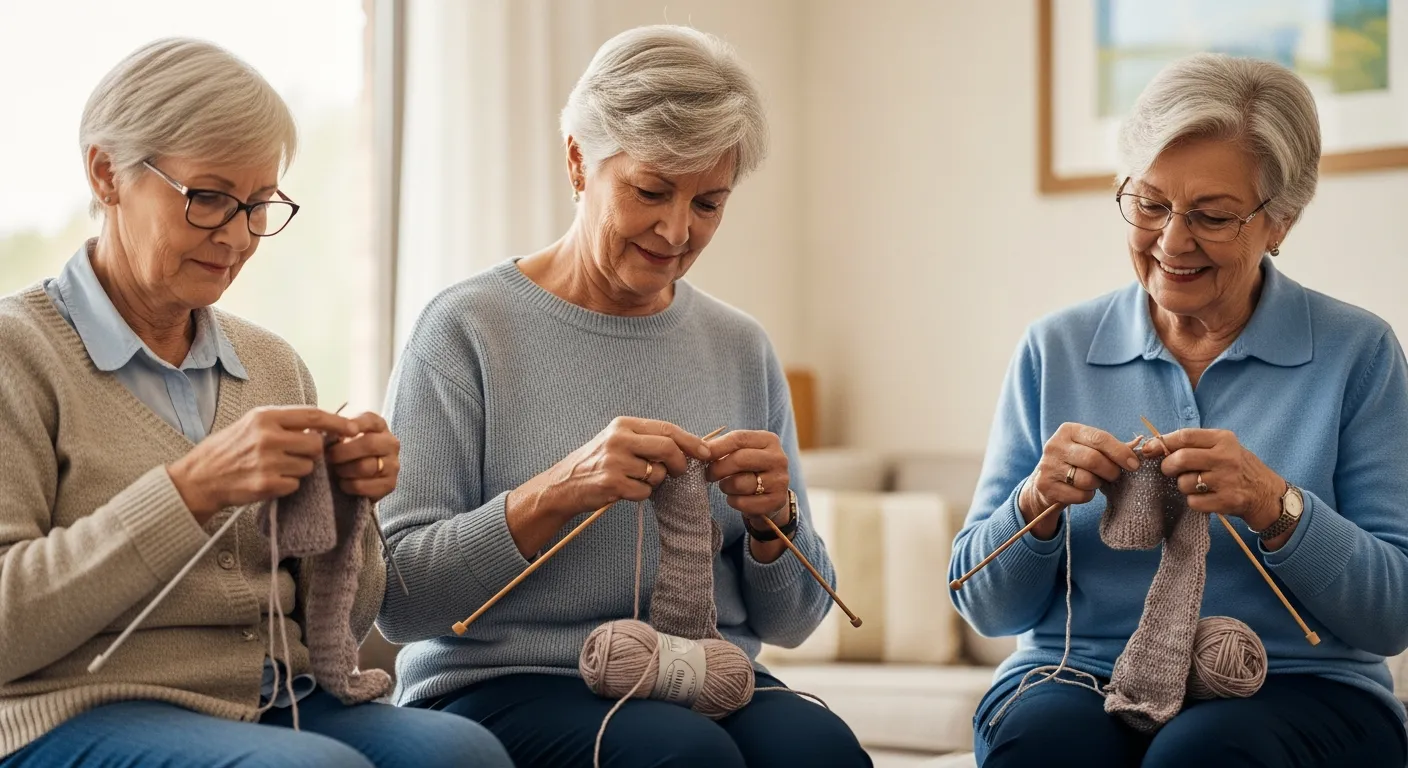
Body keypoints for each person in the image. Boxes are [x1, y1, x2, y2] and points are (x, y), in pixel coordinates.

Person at [0, 39, 511, 768]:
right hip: (75, 710)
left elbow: (348, 619)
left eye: (261, 205)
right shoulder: (17, 354)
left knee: (463, 753)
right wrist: (190, 491)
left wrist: (349, 512)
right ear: (106, 173)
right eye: (208, 197)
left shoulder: (271, 366)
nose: (239, 236)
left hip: (281, 698)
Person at [377, 24, 869, 768]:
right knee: (683, 757)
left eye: (709, 203)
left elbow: (794, 624)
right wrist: (560, 489)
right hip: (505, 681)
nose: (677, 231)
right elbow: (400, 598)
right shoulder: (465, 330)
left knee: (821, 752)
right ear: (579, 160)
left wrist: (776, 524)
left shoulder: (740, 347)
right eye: (650, 191)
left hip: (698, 676)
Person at [950, 53, 1408, 767]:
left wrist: (1275, 505)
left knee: (1205, 753)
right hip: (1077, 674)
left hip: (1300, 684)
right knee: (1047, 748)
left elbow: (1392, 614)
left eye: (1212, 216)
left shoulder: (1358, 353)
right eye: (1150, 204)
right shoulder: (1056, 348)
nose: (1171, 241)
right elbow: (985, 609)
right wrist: (1034, 504)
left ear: (1280, 220)